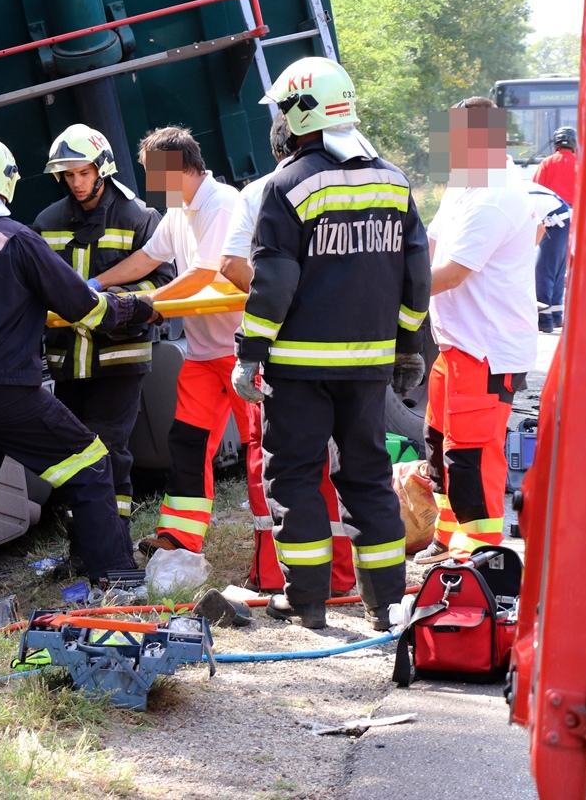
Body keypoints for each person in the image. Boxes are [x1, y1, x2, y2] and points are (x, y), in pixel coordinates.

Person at [0, 135, 158, 638]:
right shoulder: (16, 238)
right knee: (91, 463)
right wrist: (136, 308)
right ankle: (119, 587)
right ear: (7, 184)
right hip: (4, 391)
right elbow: (84, 306)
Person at [232, 56, 430, 630]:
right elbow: (416, 275)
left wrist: (250, 352)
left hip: (298, 370)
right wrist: (408, 344)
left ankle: (307, 602)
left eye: (282, 111)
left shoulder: (286, 185)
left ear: (301, 113)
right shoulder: (394, 181)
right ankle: (386, 604)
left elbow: (273, 281)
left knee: (294, 478)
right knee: (367, 476)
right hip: (369, 367)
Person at [219, 113, 355, 596]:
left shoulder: (263, 190)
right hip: (353, 349)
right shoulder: (364, 183)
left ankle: (284, 578)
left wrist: (284, 308)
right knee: (346, 463)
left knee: (280, 465)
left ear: (280, 147)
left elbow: (233, 265)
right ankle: (345, 577)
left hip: (286, 353)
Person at [97, 127, 246, 558]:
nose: (150, 183)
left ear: (180, 166)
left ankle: (275, 540)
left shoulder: (222, 204)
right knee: (187, 442)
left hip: (242, 351)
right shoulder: (179, 212)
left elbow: (202, 274)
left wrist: (144, 303)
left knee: (262, 450)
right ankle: (179, 538)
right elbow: (148, 258)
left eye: (154, 173)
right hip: (203, 354)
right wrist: (95, 285)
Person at [411, 101, 538, 563]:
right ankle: (449, 540)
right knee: (440, 446)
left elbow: (449, 274)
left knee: (472, 456)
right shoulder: (465, 183)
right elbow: (431, 247)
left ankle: (481, 555)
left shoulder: (496, 195)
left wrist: (385, 290)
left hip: (486, 349)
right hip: (455, 344)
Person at [31, 124, 173, 527]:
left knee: (108, 447)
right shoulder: (46, 221)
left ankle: (114, 539)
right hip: (66, 361)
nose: (76, 183)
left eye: (84, 173)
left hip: (119, 356)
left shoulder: (139, 217)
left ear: (102, 168)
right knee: (74, 454)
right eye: (69, 175)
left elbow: (164, 286)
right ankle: (84, 541)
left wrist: (110, 301)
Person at [532, 126, 577, 331]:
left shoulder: (547, 163)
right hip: (574, 220)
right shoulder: (580, 163)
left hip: (552, 219)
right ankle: (557, 315)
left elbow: (534, 189)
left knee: (544, 270)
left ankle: (544, 319)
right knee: (560, 269)